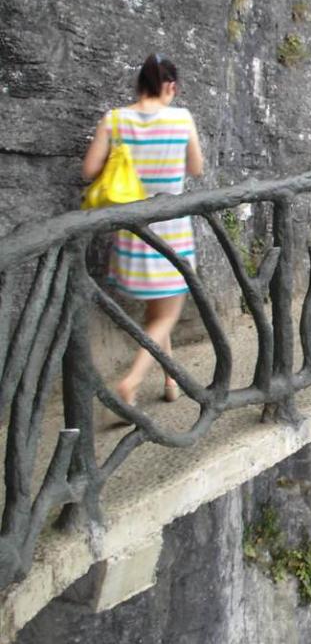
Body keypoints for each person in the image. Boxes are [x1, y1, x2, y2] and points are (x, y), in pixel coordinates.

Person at [82, 54, 204, 406]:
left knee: (155, 314)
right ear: (170, 86)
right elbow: (196, 168)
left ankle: (170, 379)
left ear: (140, 84)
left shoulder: (115, 120)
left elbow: (89, 169)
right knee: (167, 315)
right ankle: (130, 383)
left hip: (132, 229)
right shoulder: (181, 119)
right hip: (172, 229)